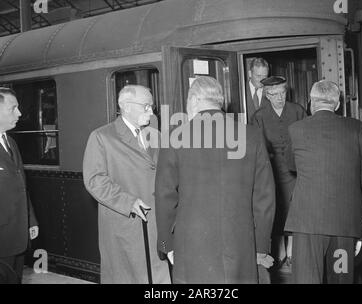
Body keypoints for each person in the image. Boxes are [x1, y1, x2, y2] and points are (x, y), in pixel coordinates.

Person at [155, 76, 276, 283]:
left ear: (193, 100)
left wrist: (167, 244)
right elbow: (265, 197)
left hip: (191, 245)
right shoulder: (251, 135)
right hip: (241, 244)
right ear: (219, 102)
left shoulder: (174, 136)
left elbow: (165, 196)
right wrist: (261, 246)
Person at [285, 80, 362, 284]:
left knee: (307, 280)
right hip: (344, 226)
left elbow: (291, 165)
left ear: (311, 102)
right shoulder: (357, 128)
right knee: (341, 278)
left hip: (306, 225)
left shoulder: (296, 129)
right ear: (337, 105)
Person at [83, 85, 170, 284]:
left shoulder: (156, 135)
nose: (151, 111)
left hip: (156, 223)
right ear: (126, 106)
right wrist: (128, 202)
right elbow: (94, 179)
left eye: (152, 106)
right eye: (146, 106)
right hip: (126, 223)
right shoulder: (102, 137)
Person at [252, 76, 307, 273]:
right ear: (267, 95)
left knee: (295, 211)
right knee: (276, 211)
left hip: (296, 172)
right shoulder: (259, 116)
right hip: (272, 172)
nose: (279, 98)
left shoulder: (298, 111)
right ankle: (280, 253)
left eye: (282, 93)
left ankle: (292, 254)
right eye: (274, 95)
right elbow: (257, 148)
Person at [0, 87, 38, 284]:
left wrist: (30, 220)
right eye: (13, 108)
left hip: (16, 235)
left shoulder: (11, 143)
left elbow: (21, 186)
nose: (20, 113)